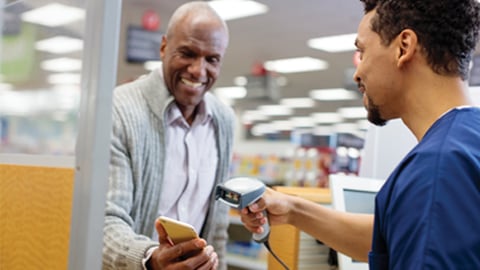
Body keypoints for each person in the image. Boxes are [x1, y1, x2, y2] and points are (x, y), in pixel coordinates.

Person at [240, 0, 480, 269]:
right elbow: (398, 236)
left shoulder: (437, 168)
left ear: (404, 47)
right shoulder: (467, 141)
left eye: (362, 52)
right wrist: (294, 210)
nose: (357, 73)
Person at [102, 2, 235, 270]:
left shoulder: (224, 121)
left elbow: (217, 229)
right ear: (164, 47)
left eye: (212, 59)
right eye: (187, 53)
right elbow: (104, 221)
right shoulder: (119, 109)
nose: (199, 71)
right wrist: (149, 259)